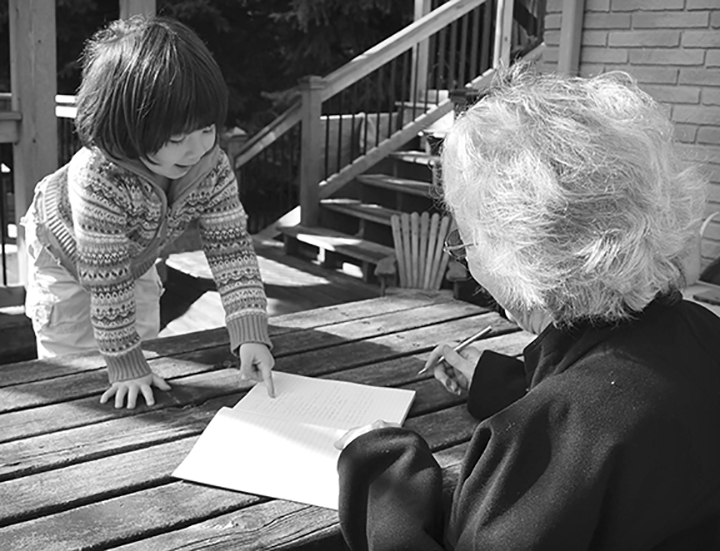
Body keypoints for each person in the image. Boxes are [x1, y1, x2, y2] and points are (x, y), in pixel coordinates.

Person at [335, 63, 720, 549]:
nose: (464, 259)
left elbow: (579, 426)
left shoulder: (542, 446)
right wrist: (505, 383)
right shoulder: (706, 335)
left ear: (520, 253)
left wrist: (381, 468)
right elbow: (622, 394)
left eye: (466, 240)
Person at [21, 16, 275, 409]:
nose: (195, 151)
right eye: (176, 138)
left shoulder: (212, 166)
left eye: (206, 129)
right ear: (126, 125)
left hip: (135, 256)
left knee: (145, 344)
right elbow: (107, 280)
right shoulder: (99, 176)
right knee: (72, 362)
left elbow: (232, 251)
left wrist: (250, 332)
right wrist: (124, 363)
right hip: (63, 255)